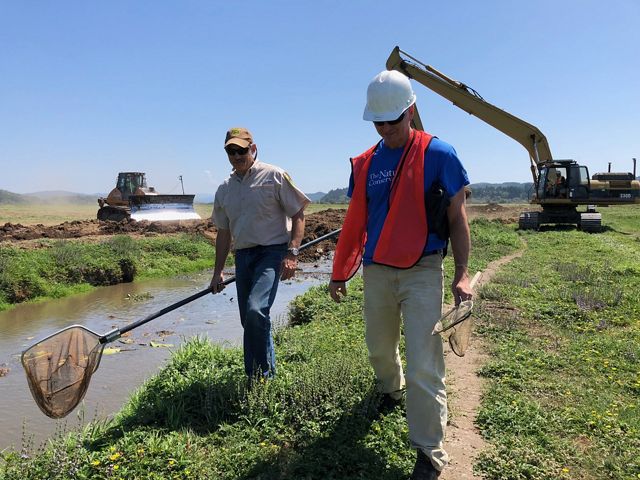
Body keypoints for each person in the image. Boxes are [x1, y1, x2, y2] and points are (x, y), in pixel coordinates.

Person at [329, 70, 473, 480]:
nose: (386, 129)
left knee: (423, 363)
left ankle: (429, 451)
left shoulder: (439, 154)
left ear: (411, 110)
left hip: (423, 268)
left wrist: (462, 274)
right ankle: (391, 391)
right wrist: (339, 272)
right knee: (379, 348)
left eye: (393, 119)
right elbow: (356, 221)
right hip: (377, 269)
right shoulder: (366, 163)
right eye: (379, 122)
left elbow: (457, 218)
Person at [210, 127, 310, 381]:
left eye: (241, 150)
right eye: (231, 151)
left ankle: (260, 376)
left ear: (253, 149)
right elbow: (223, 233)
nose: (236, 156)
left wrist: (292, 253)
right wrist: (218, 272)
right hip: (243, 256)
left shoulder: (274, 175)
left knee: (256, 311)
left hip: (271, 253)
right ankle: (261, 374)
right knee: (250, 320)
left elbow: (298, 213)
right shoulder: (224, 189)